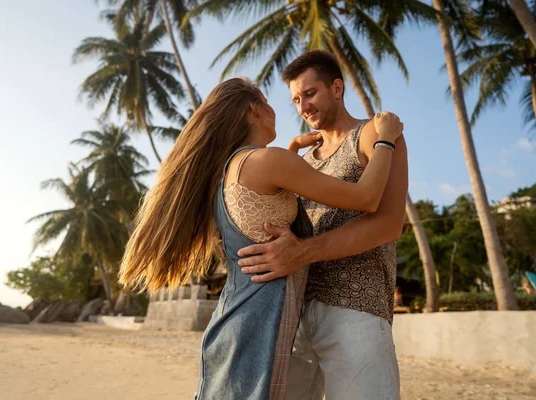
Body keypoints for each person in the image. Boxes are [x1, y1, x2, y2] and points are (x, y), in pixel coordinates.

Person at [118, 77, 403, 400]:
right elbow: (367, 198)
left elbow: (268, 200)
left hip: (234, 320)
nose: (281, 110)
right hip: (258, 328)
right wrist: (386, 139)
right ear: (254, 110)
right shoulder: (268, 162)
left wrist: (292, 153)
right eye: (271, 102)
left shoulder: (230, 169)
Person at [237, 50, 408, 400]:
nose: (303, 106)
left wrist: (302, 254)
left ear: (337, 88)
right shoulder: (301, 159)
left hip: (356, 308)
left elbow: (389, 223)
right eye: (297, 99)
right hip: (295, 315)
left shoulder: (374, 134)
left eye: (310, 93)